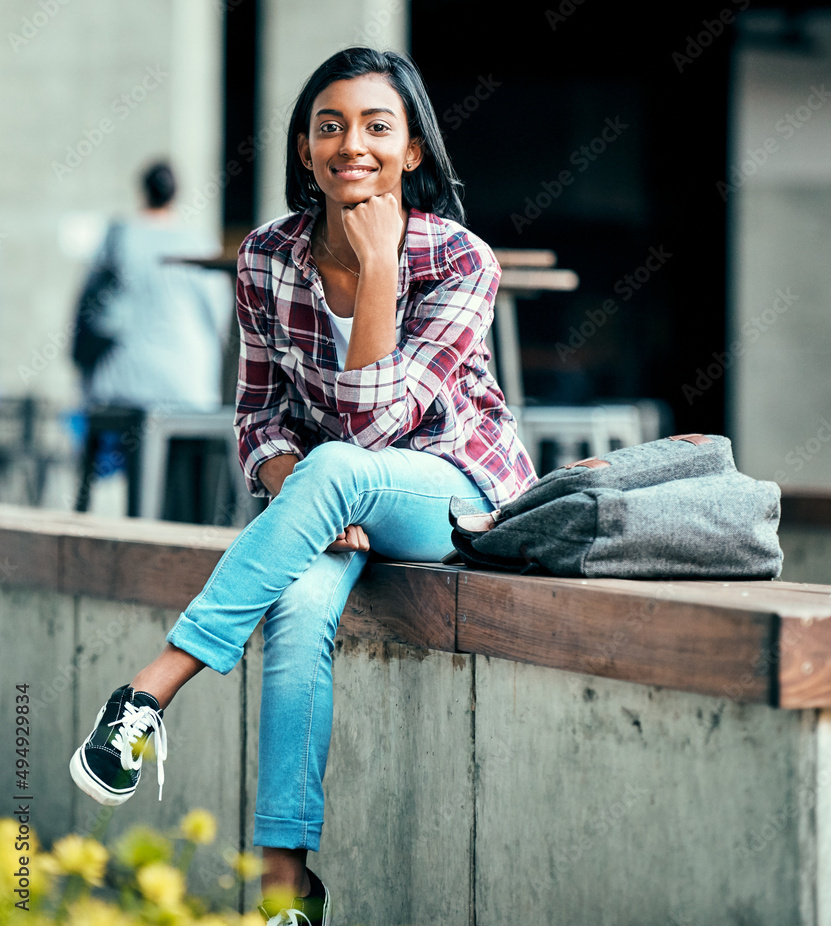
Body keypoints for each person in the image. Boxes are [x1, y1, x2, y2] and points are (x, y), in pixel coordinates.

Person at [69, 46, 536, 925]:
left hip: (454, 494)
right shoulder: (266, 258)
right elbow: (255, 419)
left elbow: (370, 431)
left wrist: (381, 270)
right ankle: (286, 892)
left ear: (413, 153)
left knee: (339, 465)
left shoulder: (461, 262)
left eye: (376, 126)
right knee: (298, 605)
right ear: (302, 148)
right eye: (329, 125)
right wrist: (300, 490)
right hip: (327, 502)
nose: (350, 143)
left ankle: (153, 687)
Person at [77, 160, 232, 412]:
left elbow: (92, 310)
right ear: (175, 195)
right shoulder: (199, 243)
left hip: (124, 380)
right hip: (188, 381)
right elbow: (219, 314)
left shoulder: (119, 237)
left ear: (142, 191)